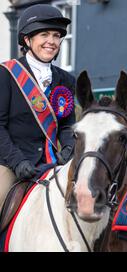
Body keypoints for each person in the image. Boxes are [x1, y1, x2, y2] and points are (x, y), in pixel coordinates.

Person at [0, 4, 76, 211]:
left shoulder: (66, 80)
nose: (51, 41)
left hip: (53, 164)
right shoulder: (6, 74)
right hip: (11, 164)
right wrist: (17, 161)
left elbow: (67, 125)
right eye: (44, 34)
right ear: (27, 40)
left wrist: (69, 148)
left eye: (56, 35)